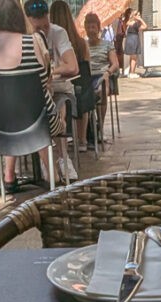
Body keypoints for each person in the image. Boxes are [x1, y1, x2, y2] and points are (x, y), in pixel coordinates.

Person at [0, 0, 63, 193]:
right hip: (38, 122)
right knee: (35, 110)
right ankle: (54, 177)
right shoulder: (35, 42)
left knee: (11, 108)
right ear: (20, 18)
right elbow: (46, 80)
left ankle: (9, 176)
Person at [24, 0, 78, 182]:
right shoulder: (24, 38)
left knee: (56, 102)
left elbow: (73, 66)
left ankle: (62, 157)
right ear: (28, 21)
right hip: (34, 93)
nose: (43, 31)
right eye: (38, 27)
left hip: (59, 88)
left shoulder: (58, 32)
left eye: (45, 26)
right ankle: (48, 159)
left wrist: (50, 71)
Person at [49, 0, 89, 156]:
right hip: (81, 94)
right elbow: (86, 70)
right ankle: (82, 139)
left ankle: (57, 147)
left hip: (60, 89)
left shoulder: (51, 36)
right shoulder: (81, 43)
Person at [83, 12, 118, 141]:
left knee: (103, 86)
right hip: (87, 77)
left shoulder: (107, 44)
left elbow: (115, 64)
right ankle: (85, 130)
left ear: (98, 28)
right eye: (88, 27)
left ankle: (100, 127)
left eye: (93, 27)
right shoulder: (83, 45)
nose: (91, 30)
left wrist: (107, 73)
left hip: (103, 76)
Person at [122, 8, 146, 76]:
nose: (139, 16)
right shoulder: (135, 23)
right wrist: (140, 20)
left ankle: (130, 72)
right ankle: (132, 73)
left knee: (132, 57)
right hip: (134, 39)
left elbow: (125, 28)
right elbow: (145, 26)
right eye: (138, 15)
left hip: (129, 39)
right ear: (134, 16)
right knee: (134, 58)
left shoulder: (128, 22)